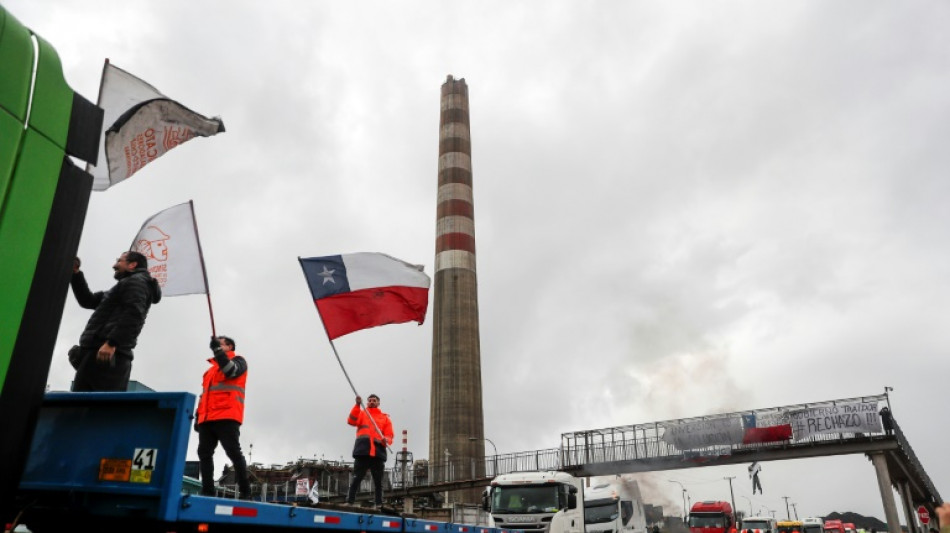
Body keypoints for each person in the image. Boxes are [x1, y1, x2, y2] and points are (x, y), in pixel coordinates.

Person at [69, 252, 162, 391]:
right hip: (100, 354)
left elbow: (134, 314)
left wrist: (112, 343)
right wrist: (75, 274)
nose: (114, 265)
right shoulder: (125, 285)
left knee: (88, 409)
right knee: (82, 407)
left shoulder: (136, 282)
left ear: (132, 265)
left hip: (107, 354)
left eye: (119, 261)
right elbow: (88, 300)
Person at [195, 335, 251, 499]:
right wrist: (199, 415)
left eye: (220, 343)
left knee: (233, 452)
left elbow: (230, 371)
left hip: (227, 415)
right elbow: (204, 395)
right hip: (207, 418)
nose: (216, 346)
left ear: (229, 346)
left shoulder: (239, 361)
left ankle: (246, 492)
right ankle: (207, 491)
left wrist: (217, 352)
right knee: (204, 454)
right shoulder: (210, 371)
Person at [345, 394, 394, 507]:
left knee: (378, 482)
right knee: (356, 478)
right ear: (367, 403)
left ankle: (379, 504)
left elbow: (389, 435)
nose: (372, 402)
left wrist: (386, 440)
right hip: (363, 452)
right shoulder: (362, 414)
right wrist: (357, 405)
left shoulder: (385, 418)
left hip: (377, 453)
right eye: (370, 400)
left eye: (374, 400)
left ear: (378, 403)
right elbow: (351, 421)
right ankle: (350, 501)